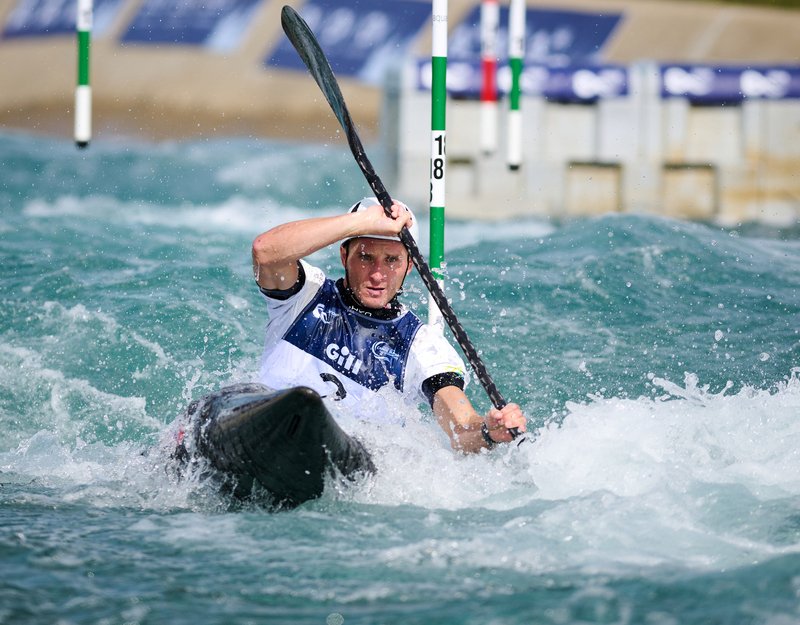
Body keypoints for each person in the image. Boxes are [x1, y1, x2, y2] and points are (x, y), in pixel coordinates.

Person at [251, 197, 526, 453]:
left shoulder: (423, 347)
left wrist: (488, 431)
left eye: (392, 260)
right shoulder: (306, 294)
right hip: (267, 427)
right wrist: (362, 222)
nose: (378, 274)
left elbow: (461, 429)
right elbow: (265, 251)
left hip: (340, 452)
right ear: (344, 256)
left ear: (408, 266)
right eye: (366, 257)